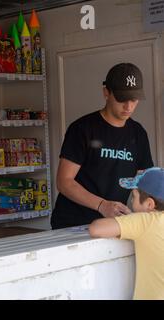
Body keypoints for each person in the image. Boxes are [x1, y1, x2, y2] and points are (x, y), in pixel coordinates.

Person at [51, 62, 154, 229]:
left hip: (112, 223)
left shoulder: (138, 133)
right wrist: (102, 205)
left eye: (133, 99)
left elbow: (145, 180)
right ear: (106, 92)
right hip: (73, 223)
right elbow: (64, 181)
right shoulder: (82, 129)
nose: (128, 107)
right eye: (121, 99)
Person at [89, 167, 164, 300]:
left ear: (149, 205)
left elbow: (96, 228)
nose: (130, 202)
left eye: (134, 197)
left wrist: (128, 219)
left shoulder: (145, 222)